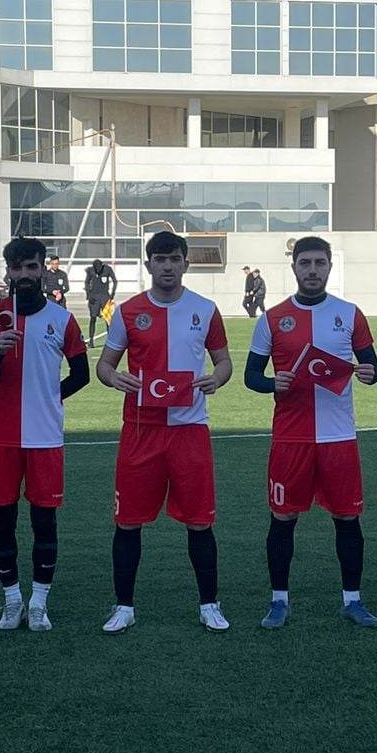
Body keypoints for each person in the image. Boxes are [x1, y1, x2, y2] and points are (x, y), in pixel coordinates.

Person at [95, 231, 232, 633]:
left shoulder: (205, 309)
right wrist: (114, 378)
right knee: (128, 521)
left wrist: (216, 379)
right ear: (148, 264)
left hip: (190, 430)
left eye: (174, 259)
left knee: (200, 521)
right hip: (142, 430)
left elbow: (224, 362)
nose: (168, 266)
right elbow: (105, 365)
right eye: (160, 259)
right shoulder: (128, 311)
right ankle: (124, 606)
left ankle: (209, 604)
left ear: (185, 263)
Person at [244, 236, 377, 628]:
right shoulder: (273, 318)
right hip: (292, 438)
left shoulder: (350, 314)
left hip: (339, 438)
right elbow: (251, 376)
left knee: (347, 519)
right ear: (294, 268)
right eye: (305, 263)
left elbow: (373, 367)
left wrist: (370, 373)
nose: (313, 270)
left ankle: (353, 601)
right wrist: (273, 383)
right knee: (283, 518)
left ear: (330, 267)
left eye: (320, 263)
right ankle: (279, 601)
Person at [0, 236, 90, 632]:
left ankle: (39, 602)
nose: (24, 274)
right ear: (8, 271)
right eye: (17, 267)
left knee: (44, 522)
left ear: (42, 270)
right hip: (1, 437)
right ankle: (11, 600)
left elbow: (81, 374)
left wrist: (51, 398)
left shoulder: (62, 318)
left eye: (31, 266)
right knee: (2, 521)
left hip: (45, 437)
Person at [84, 257, 118, 347]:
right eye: (96, 267)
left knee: (108, 319)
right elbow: (86, 282)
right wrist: (88, 295)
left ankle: (110, 341)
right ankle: (91, 341)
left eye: (99, 267)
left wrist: (112, 294)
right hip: (94, 297)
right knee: (93, 318)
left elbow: (115, 281)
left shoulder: (107, 269)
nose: (97, 269)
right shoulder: (90, 270)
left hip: (105, 297)